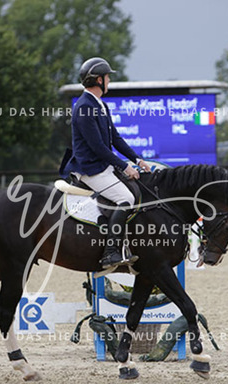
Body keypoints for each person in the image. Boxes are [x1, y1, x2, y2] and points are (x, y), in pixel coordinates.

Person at [60, 57, 151, 269]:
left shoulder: (100, 105)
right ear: (99, 80)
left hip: (101, 166)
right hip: (90, 168)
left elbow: (115, 139)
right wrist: (124, 166)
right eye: (107, 77)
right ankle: (111, 252)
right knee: (126, 198)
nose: (109, 80)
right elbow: (98, 147)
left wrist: (137, 159)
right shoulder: (84, 107)